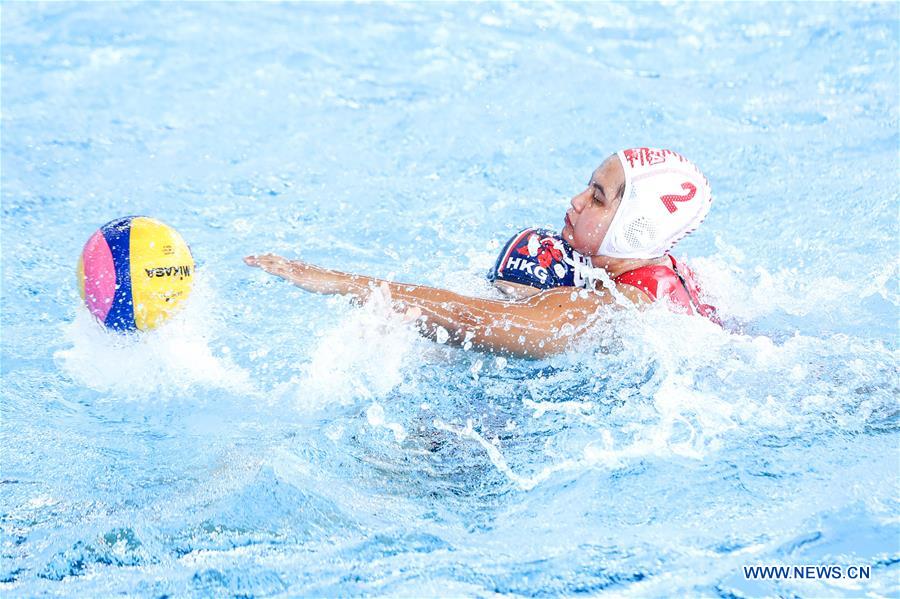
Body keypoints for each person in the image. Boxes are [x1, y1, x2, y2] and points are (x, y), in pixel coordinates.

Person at [245, 147, 719, 358]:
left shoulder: (605, 308)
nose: (575, 201)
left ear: (637, 227)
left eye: (597, 197)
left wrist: (334, 282)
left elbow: (475, 320)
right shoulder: (675, 277)